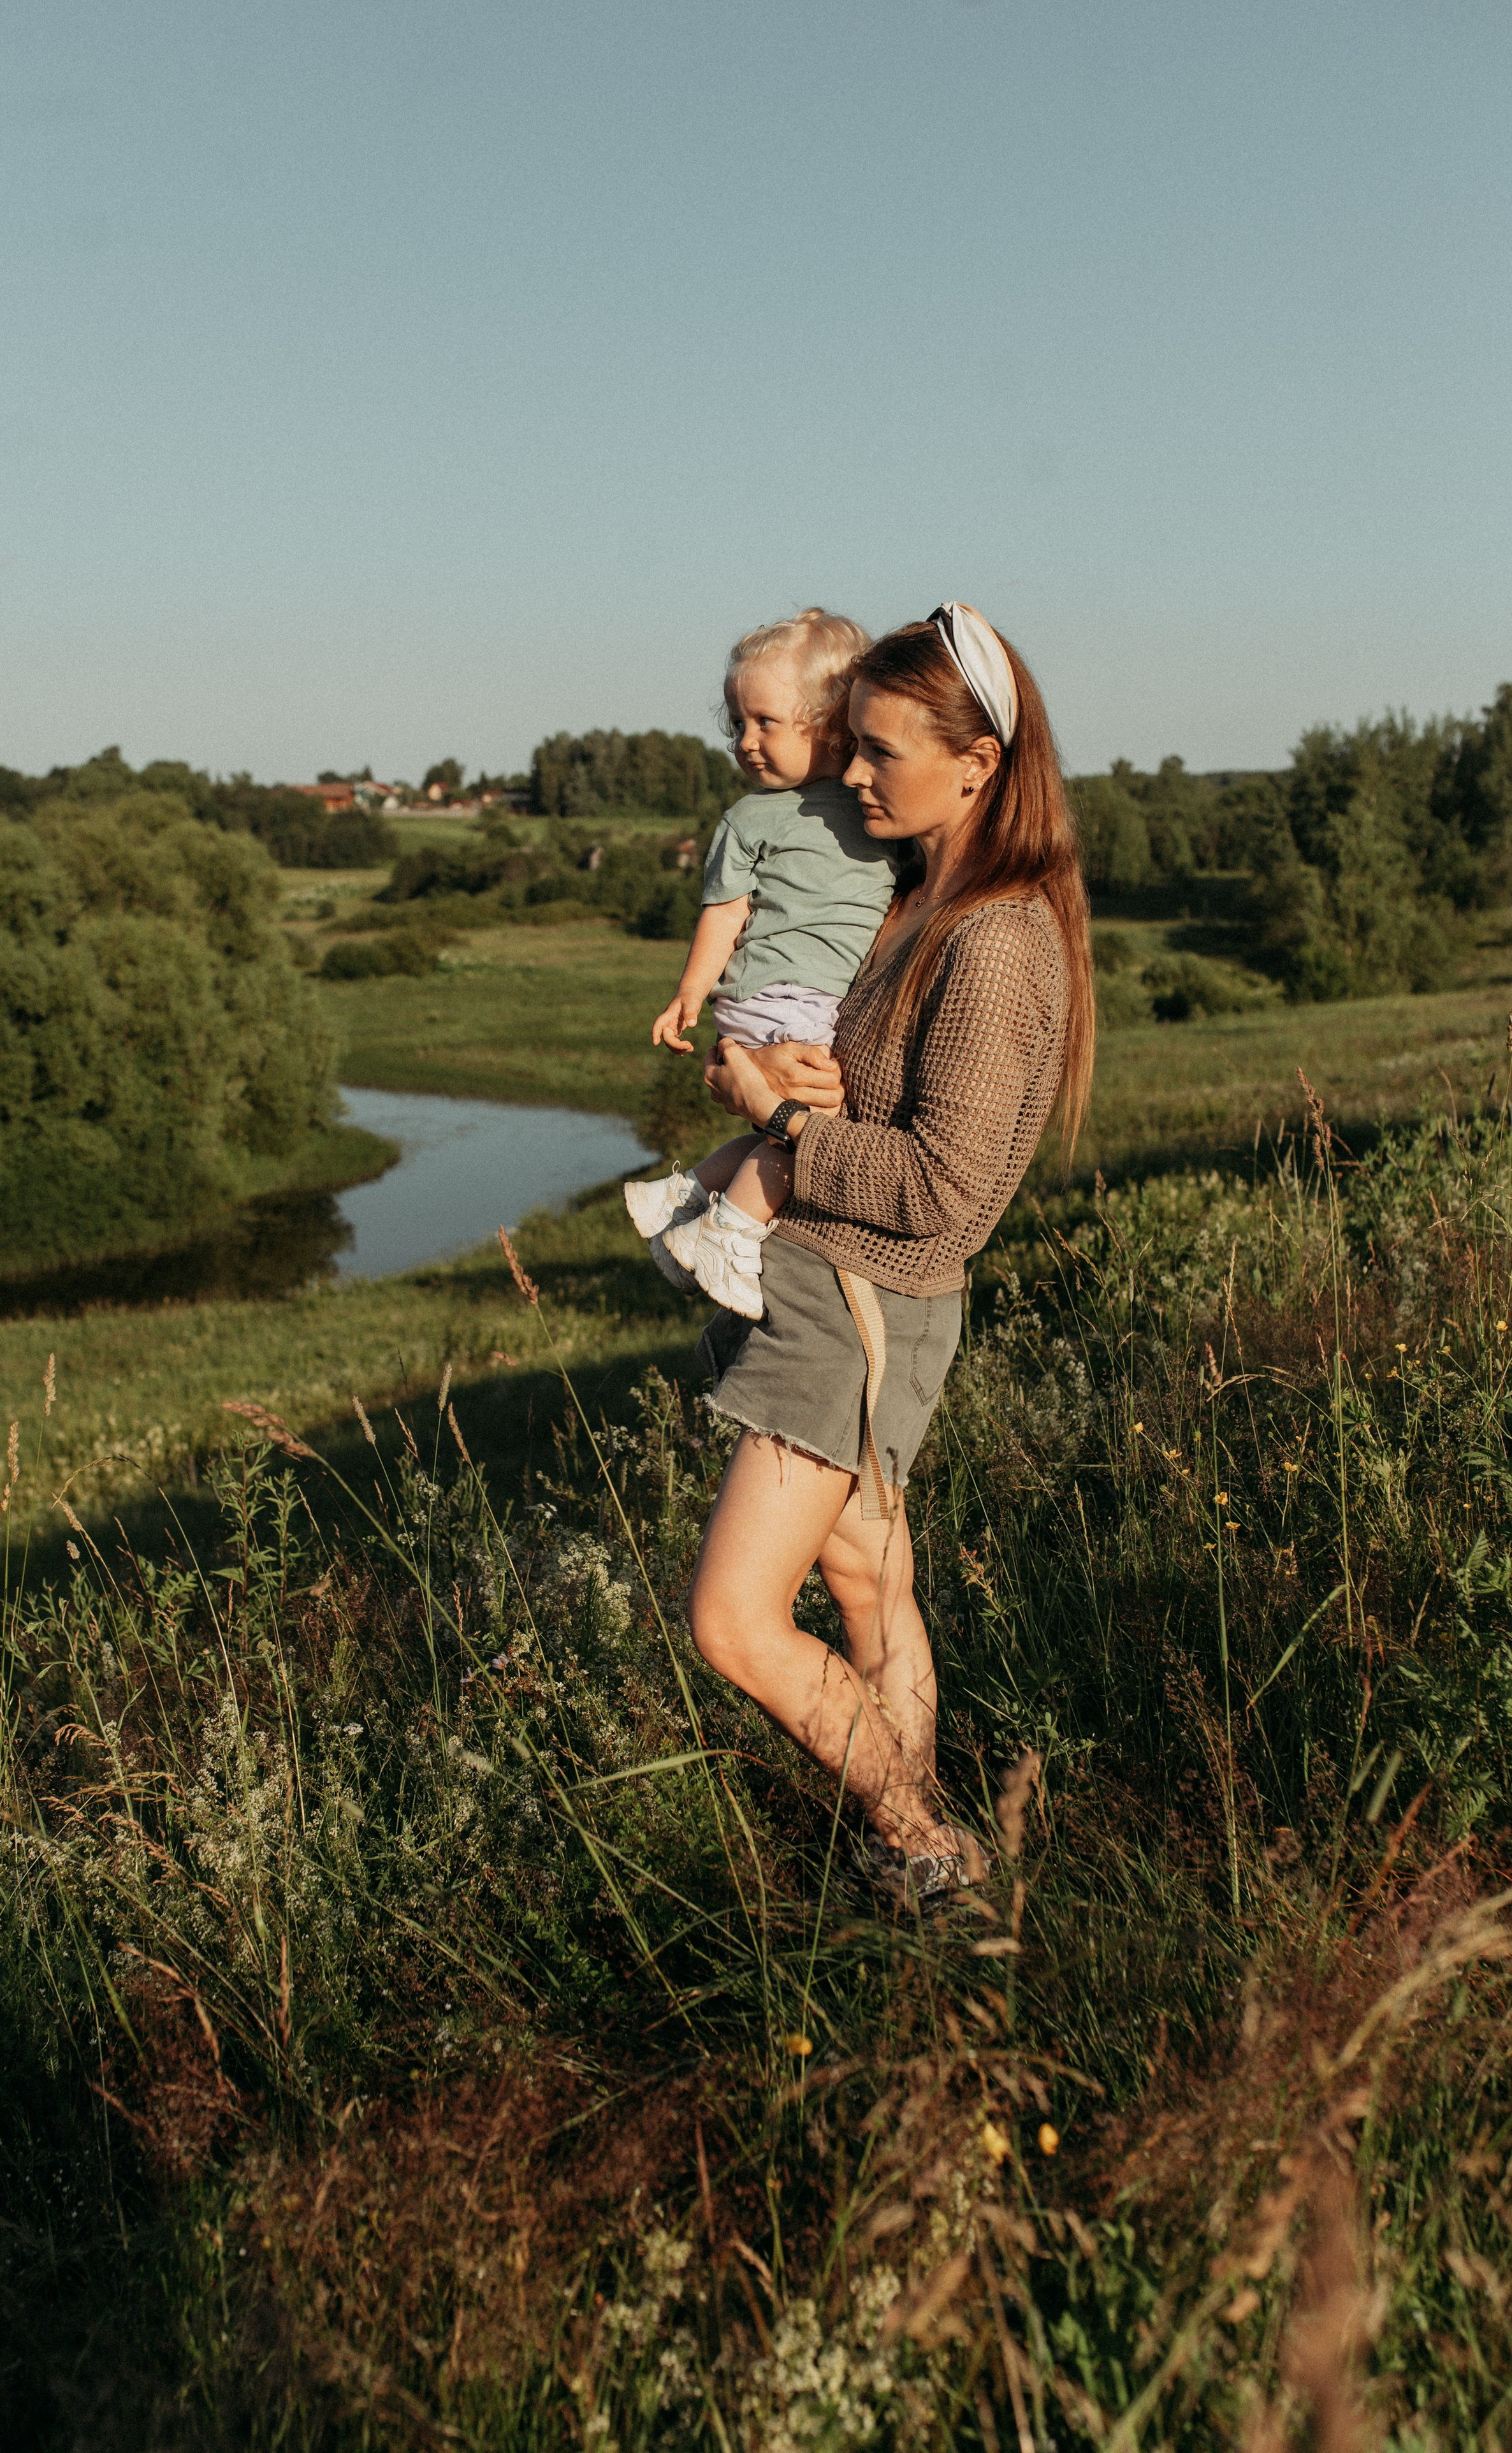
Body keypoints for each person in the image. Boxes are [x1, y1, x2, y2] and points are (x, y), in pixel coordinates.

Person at [686, 604, 1096, 1908]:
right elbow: (857, 1100)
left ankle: (927, 1850)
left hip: (858, 1303)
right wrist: (773, 1076)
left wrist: (785, 1122)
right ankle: (908, 1867)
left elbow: (943, 1187)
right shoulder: (925, 907)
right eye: (844, 742)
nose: (845, 773)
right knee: (867, 1579)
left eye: (875, 750)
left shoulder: (996, 939)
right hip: (847, 1284)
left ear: (975, 762)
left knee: (734, 1623)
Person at [623, 608, 894, 1318]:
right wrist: (690, 991)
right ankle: (729, 1234)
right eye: (738, 724)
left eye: (765, 722)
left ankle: (683, 1198)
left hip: (790, 1001)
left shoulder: (874, 809)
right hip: (782, 998)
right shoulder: (753, 817)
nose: (746, 742)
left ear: (832, 722)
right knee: (806, 1129)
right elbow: (725, 911)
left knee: (771, 1124)